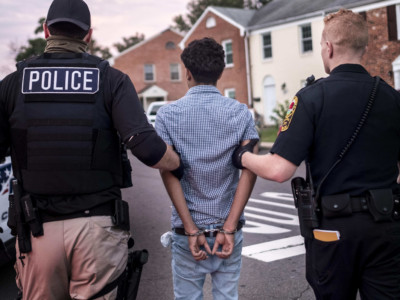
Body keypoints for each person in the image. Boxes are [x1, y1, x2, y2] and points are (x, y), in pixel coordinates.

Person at [0, 0, 182, 299]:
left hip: (37, 229)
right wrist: (177, 162)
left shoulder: (12, 84)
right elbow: (148, 149)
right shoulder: (111, 80)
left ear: (46, 30)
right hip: (97, 228)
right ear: (88, 35)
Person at [233, 8, 400, 300]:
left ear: (328, 47)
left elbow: (278, 170)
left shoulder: (311, 98)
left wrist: (242, 157)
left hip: (333, 230)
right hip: (387, 226)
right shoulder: (392, 97)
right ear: (364, 46)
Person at [156, 37, 259, 300]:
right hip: (228, 230)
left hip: (187, 232)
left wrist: (191, 230)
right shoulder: (241, 113)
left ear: (187, 72)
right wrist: (229, 228)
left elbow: (168, 172)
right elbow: (250, 169)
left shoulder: (167, 116)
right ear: (220, 72)